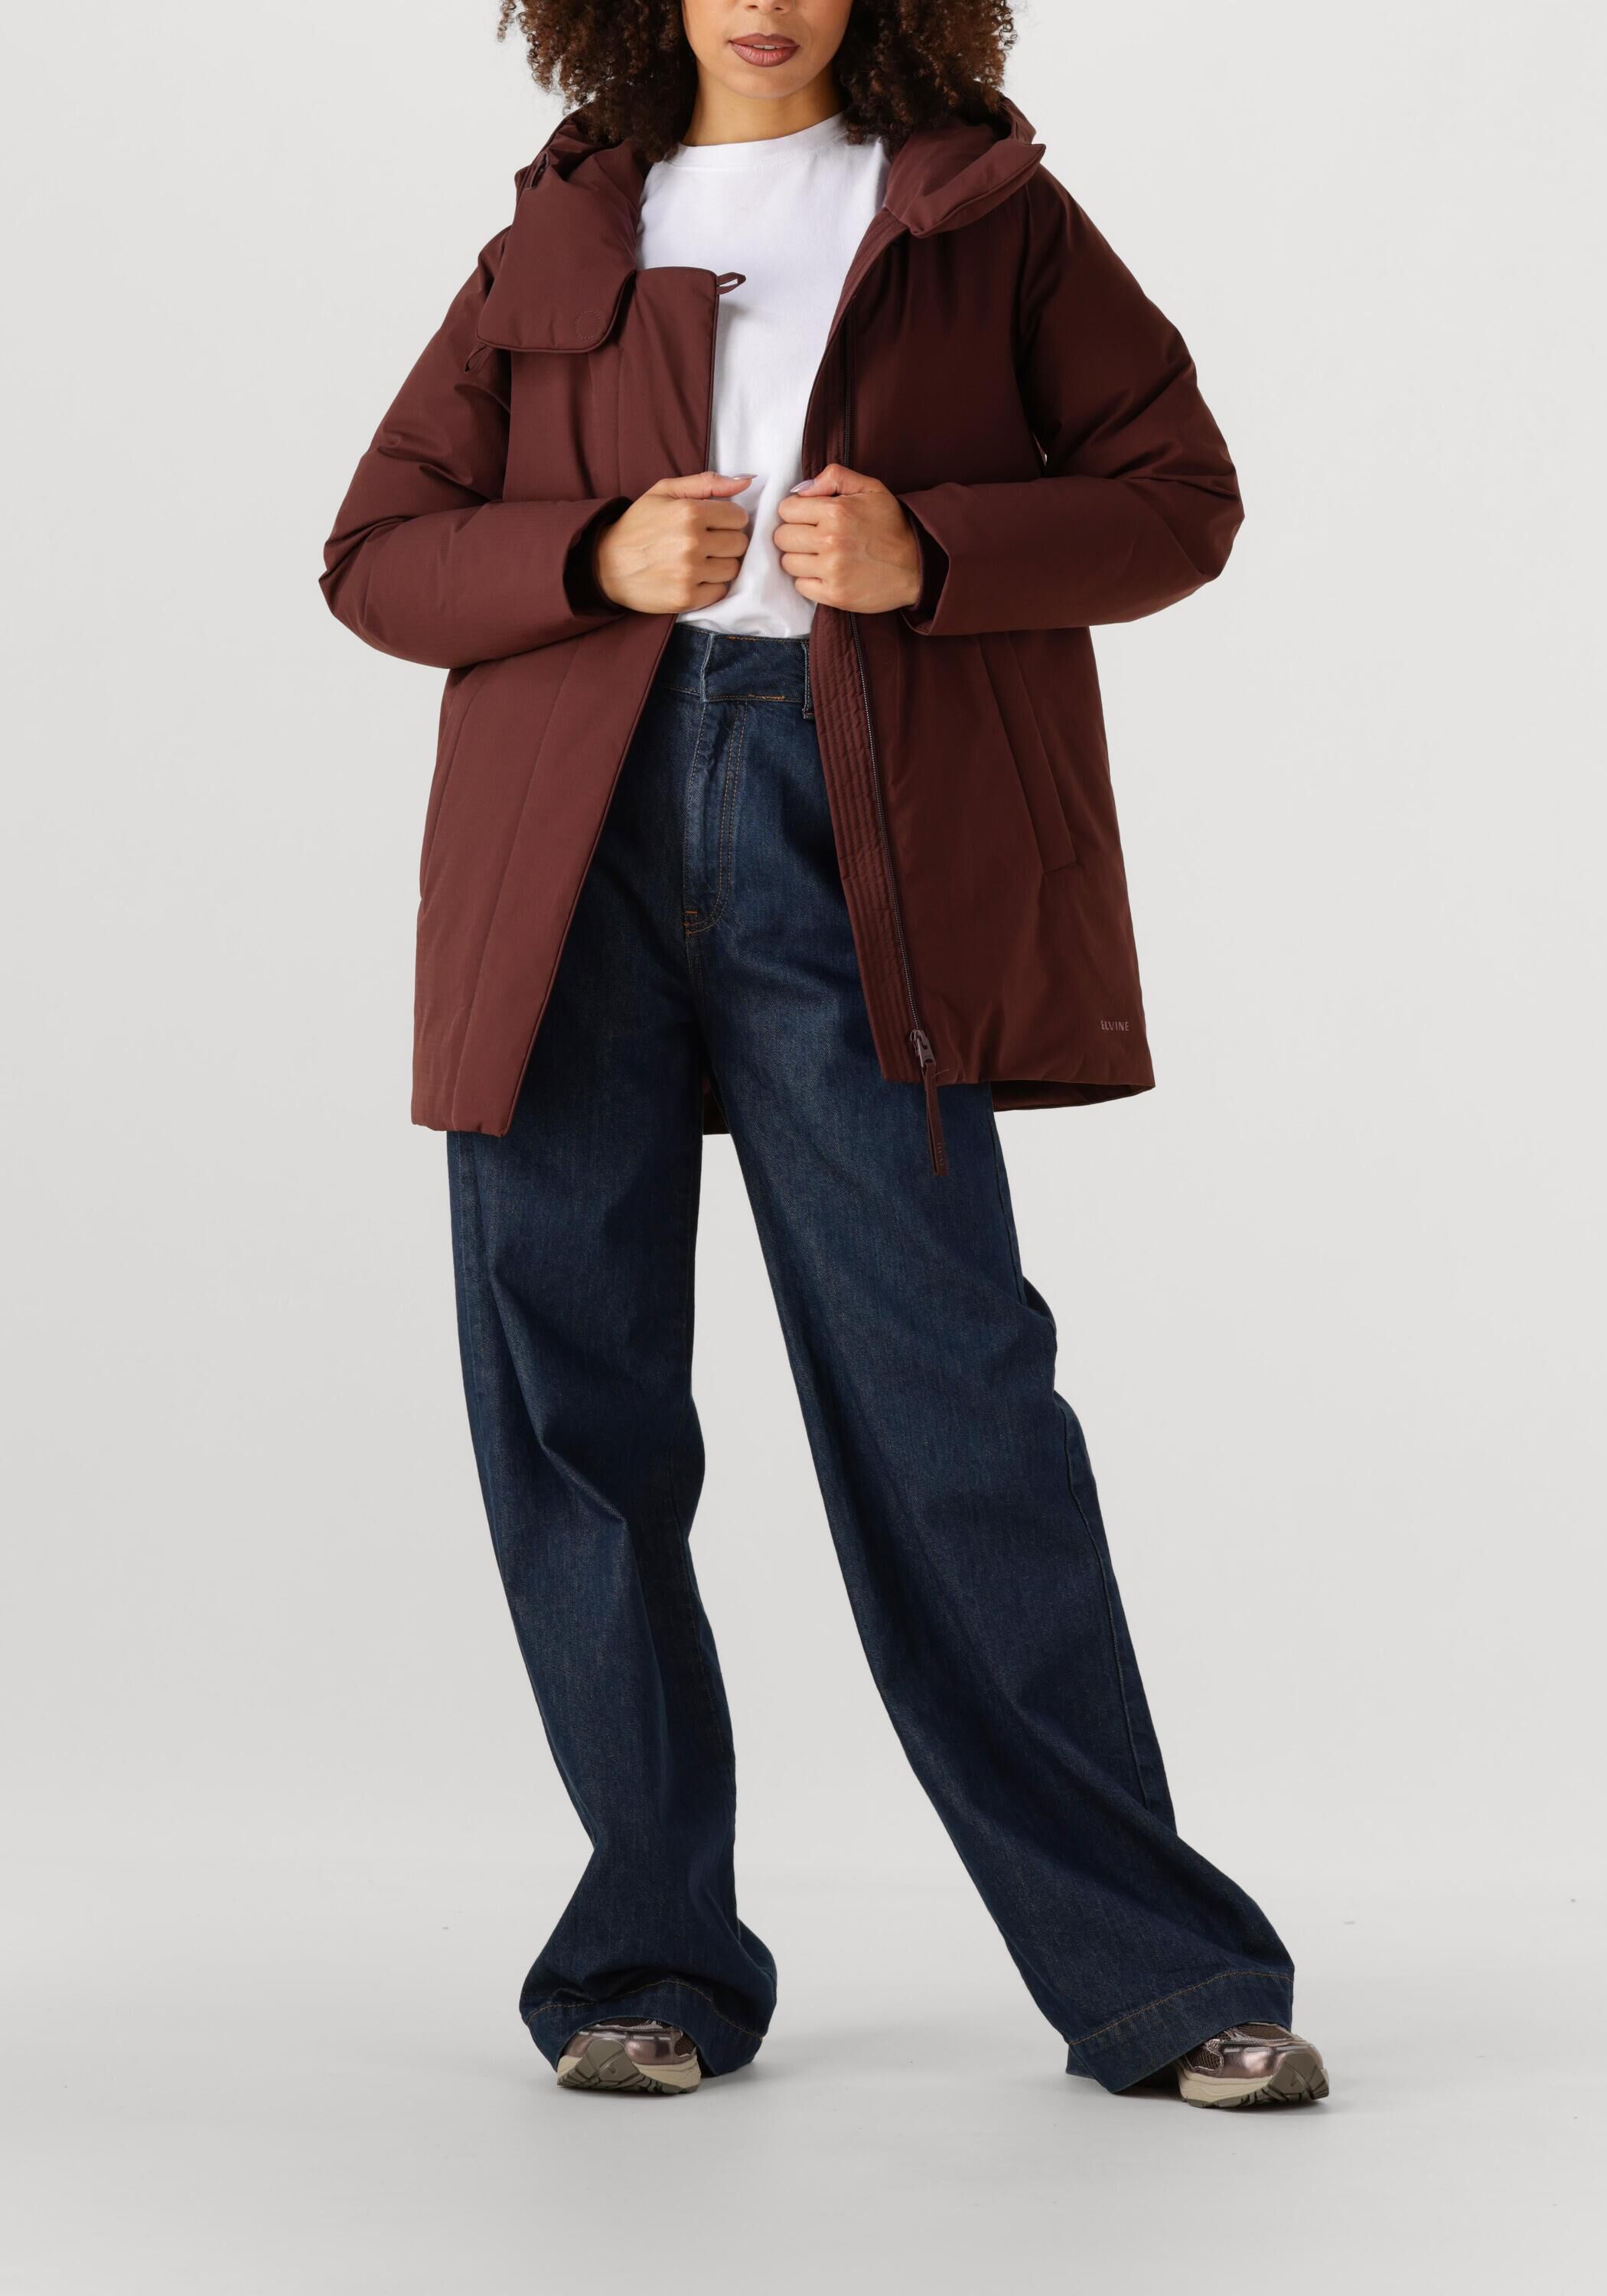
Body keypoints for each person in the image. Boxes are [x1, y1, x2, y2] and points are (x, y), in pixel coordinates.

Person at [321, 0, 1328, 2110]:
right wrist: (589, 553)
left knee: (954, 1394)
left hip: (857, 832)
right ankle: (648, 1964)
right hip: (567, 845)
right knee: (576, 1405)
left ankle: (1156, 1975)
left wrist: (936, 548)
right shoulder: (562, 233)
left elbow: (1178, 495)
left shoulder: (985, 215)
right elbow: (376, 554)